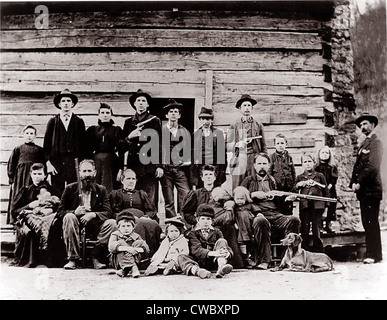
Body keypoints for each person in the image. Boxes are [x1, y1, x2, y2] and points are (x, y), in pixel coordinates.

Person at [241, 153, 300, 269]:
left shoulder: (275, 181)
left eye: (264, 163)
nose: (262, 166)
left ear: (268, 165)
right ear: (254, 166)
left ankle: (287, 259)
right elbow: (240, 198)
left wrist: (288, 198)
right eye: (259, 163)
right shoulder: (248, 181)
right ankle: (264, 261)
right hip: (257, 214)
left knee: (294, 220)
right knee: (261, 221)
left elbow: (282, 199)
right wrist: (252, 195)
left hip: (275, 214)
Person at [55, 159, 117, 270]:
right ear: (79, 173)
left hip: (95, 225)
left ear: (95, 173)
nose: (87, 174)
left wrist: (93, 214)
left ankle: (95, 257)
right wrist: (74, 212)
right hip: (75, 224)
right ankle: (73, 259)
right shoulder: (70, 188)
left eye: (89, 171)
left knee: (112, 223)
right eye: (84, 171)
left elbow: (108, 212)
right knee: (69, 217)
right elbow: (60, 211)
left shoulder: (101, 190)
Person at [10, 163, 60, 267]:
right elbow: (14, 211)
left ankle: (48, 260)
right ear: (31, 175)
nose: (37, 176)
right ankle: (32, 260)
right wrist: (29, 206)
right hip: (31, 220)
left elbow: (60, 206)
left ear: (45, 175)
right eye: (35, 173)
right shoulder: (25, 190)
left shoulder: (52, 189)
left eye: (40, 173)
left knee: (52, 223)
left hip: (48, 219)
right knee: (30, 225)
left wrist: (49, 208)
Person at [350, 112, 383, 264]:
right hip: (364, 191)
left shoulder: (376, 143)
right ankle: (373, 252)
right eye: (361, 125)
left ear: (373, 125)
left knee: (371, 222)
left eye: (365, 124)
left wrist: (360, 182)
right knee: (366, 221)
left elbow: (372, 166)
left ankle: (374, 254)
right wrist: (352, 182)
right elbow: (358, 166)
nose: (363, 127)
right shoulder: (364, 144)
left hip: (371, 190)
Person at [122, 89, 163, 209]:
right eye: (138, 101)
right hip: (133, 165)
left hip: (149, 165)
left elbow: (159, 144)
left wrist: (160, 165)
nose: (141, 103)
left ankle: (151, 223)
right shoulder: (128, 122)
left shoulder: (154, 120)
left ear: (147, 104)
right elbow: (123, 145)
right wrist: (130, 136)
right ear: (134, 104)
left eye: (143, 101)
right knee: (134, 196)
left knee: (150, 197)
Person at [108, 168, 162, 257]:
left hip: (142, 218)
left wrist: (146, 216)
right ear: (122, 180)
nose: (131, 181)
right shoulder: (116, 194)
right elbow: (112, 211)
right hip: (124, 220)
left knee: (152, 223)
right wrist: (129, 218)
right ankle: (133, 255)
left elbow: (151, 210)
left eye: (133, 179)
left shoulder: (141, 193)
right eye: (128, 179)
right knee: (138, 224)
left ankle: (149, 254)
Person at [43, 89, 86, 195]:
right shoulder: (53, 122)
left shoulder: (79, 122)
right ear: (59, 104)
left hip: (74, 162)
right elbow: (46, 144)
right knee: (57, 190)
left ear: (72, 104)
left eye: (68, 101)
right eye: (63, 101)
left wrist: (81, 165)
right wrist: (48, 163)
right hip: (57, 162)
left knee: (74, 189)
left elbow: (84, 145)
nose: (66, 103)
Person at [178, 204, 234, 278]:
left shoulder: (217, 232)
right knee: (181, 257)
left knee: (222, 241)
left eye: (208, 219)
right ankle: (198, 271)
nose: (205, 222)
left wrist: (227, 253)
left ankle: (221, 267)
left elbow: (224, 245)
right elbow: (196, 250)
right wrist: (214, 253)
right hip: (198, 261)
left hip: (214, 261)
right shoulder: (192, 233)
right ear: (198, 220)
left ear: (212, 221)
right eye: (203, 219)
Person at [226, 94, 267, 190]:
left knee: (254, 184)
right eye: (244, 105)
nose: (247, 108)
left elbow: (264, 145)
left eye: (249, 105)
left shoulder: (258, 124)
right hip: (240, 158)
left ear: (252, 108)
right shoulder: (234, 125)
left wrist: (264, 159)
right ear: (240, 108)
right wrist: (236, 144)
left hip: (254, 158)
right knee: (238, 185)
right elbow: (227, 145)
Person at [7, 125, 45, 224]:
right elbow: (11, 164)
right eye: (27, 133)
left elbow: (43, 165)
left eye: (31, 133)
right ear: (23, 135)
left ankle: (31, 218)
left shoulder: (39, 150)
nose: (29, 136)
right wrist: (11, 180)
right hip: (20, 178)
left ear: (35, 136)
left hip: (32, 177)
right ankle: (16, 220)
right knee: (19, 196)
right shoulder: (18, 149)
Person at [292, 152, 328, 253]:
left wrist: (326, 208)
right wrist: (299, 185)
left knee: (317, 231)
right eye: (305, 162)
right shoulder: (299, 177)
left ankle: (319, 252)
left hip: (317, 207)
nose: (307, 164)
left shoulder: (320, 176)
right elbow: (294, 190)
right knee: (305, 230)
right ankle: (305, 252)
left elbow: (326, 192)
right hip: (305, 207)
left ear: (314, 163)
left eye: (309, 161)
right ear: (302, 164)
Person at [160, 99, 191, 218]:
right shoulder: (161, 130)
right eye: (171, 111)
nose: (173, 113)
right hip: (166, 169)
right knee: (169, 199)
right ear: (167, 115)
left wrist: (186, 161)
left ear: (179, 115)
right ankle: (171, 223)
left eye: (176, 111)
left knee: (186, 194)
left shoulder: (184, 131)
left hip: (179, 170)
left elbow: (188, 149)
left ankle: (184, 221)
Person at [85, 103, 124, 193]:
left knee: (110, 185)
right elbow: (87, 150)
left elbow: (121, 150)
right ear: (98, 115)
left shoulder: (116, 130)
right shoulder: (92, 130)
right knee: (95, 185)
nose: (105, 115)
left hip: (112, 162)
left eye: (107, 112)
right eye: (102, 113)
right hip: (96, 162)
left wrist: (120, 169)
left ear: (111, 115)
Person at [190, 107, 227, 190]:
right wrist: (194, 175)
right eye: (203, 119)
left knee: (215, 191)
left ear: (212, 120)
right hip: (201, 169)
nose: (206, 121)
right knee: (201, 191)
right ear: (200, 120)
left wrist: (221, 171)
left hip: (214, 168)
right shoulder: (196, 134)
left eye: (208, 119)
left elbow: (222, 154)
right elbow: (193, 154)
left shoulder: (218, 133)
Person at [108, 209, 150, 278]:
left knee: (139, 242)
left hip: (135, 258)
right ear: (119, 227)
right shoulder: (115, 234)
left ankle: (125, 270)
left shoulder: (136, 236)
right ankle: (133, 268)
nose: (126, 228)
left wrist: (135, 250)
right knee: (120, 243)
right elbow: (111, 247)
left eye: (128, 226)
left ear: (133, 227)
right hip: (118, 260)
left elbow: (146, 248)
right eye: (123, 226)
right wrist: (127, 249)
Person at [233, 186, 263, 268]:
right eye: (237, 198)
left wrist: (259, 214)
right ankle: (244, 259)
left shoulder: (250, 205)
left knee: (249, 243)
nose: (239, 201)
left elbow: (257, 211)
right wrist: (234, 223)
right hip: (239, 228)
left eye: (242, 198)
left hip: (249, 227)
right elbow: (231, 216)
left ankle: (249, 257)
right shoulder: (234, 208)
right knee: (241, 243)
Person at [268, 133, 296, 215]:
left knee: (288, 209)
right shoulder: (272, 157)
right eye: (278, 143)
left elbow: (293, 173)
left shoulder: (289, 158)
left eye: (282, 143)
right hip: (277, 189)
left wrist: (293, 188)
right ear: (274, 145)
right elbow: (269, 173)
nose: (280, 145)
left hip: (288, 189)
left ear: (286, 144)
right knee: (278, 209)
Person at [315, 146, 338, 233]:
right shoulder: (316, 167)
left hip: (330, 190)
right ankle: (319, 226)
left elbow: (334, 178)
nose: (325, 155)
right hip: (319, 190)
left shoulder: (332, 167)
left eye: (327, 153)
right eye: (323, 153)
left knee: (331, 207)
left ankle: (328, 225)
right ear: (319, 154)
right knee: (320, 207)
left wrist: (330, 186)